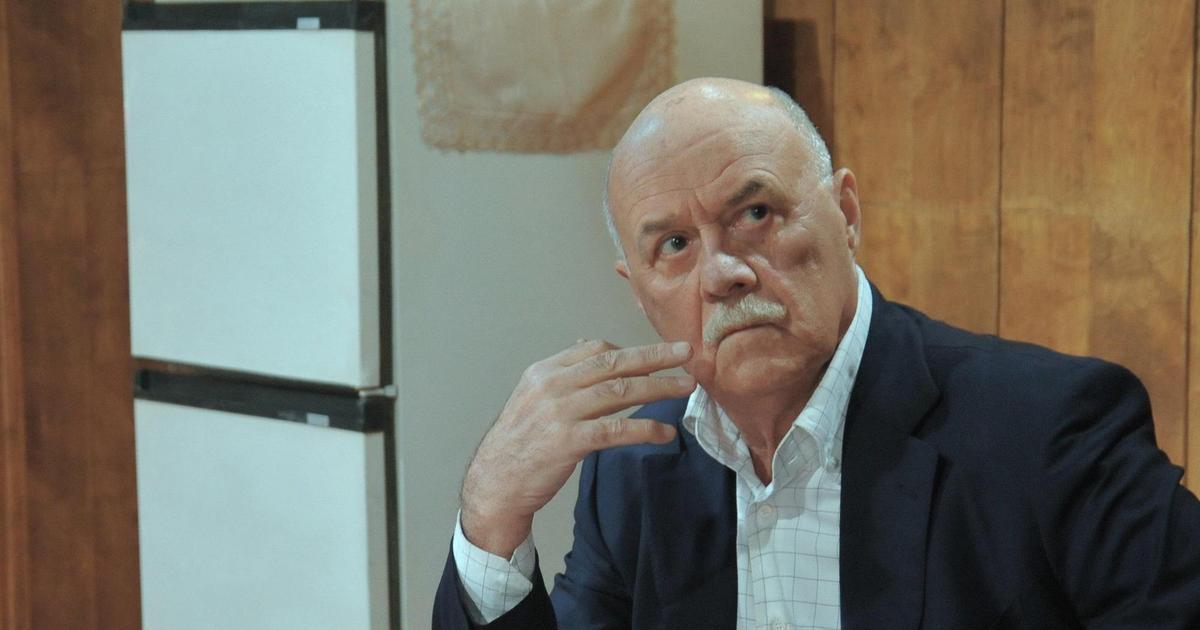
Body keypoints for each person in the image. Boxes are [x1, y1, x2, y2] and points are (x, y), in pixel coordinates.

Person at [433, 78, 1200, 629]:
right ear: (638, 292)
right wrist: (491, 514)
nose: (722, 273)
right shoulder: (637, 465)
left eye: (755, 213)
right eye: (674, 245)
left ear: (846, 212)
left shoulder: (1051, 427)